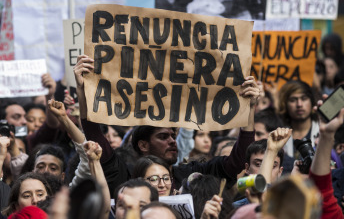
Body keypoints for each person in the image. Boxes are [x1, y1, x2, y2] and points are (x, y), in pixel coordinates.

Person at [74, 55, 259, 197]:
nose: (172, 141)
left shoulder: (192, 174)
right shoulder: (124, 175)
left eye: (173, 135)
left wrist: (249, 110)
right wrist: (83, 91)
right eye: (163, 137)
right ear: (143, 145)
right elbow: (93, 133)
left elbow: (237, 161)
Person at [278, 80, 319, 157]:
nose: (299, 104)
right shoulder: (279, 135)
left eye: (304, 98)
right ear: (285, 104)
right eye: (293, 100)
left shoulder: (323, 130)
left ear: (312, 102)